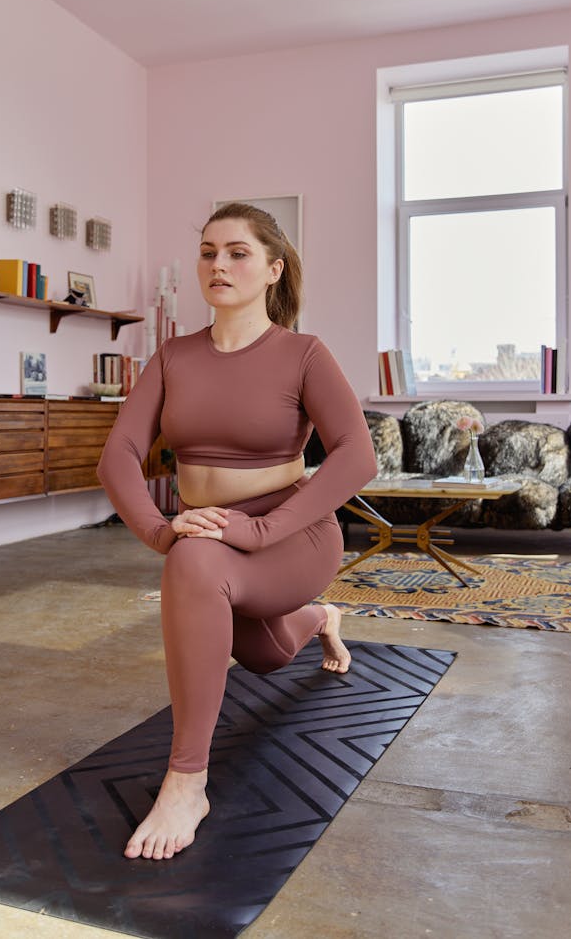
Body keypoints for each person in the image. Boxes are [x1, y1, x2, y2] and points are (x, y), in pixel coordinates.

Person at [97, 202, 377, 862]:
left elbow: (356, 456)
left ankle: (187, 782)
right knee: (266, 655)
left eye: (238, 252)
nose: (218, 264)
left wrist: (262, 529)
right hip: (218, 545)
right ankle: (319, 619)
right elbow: (117, 457)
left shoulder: (303, 354)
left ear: (274, 269)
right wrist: (160, 528)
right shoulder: (173, 357)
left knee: (195, 565)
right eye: (208, 252)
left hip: (293, 538)